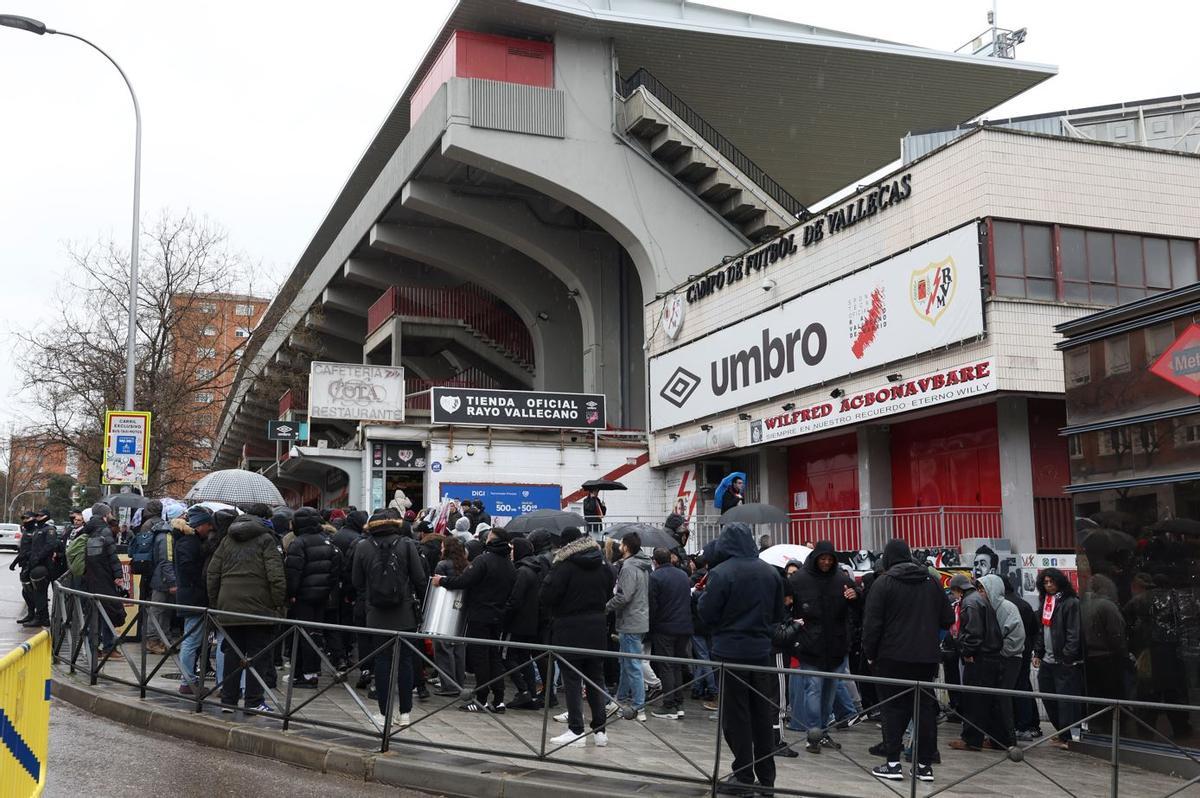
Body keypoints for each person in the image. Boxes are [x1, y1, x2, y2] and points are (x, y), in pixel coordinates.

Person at [697, 522, 786, 795]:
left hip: (730, 652)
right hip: (761, 652)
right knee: (761, 714)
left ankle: (744, 775)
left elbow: (707, 614)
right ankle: (767, 778)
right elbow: (777, 615)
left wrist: (701, 598)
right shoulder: (770, 573)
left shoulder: (721, 573)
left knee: (736, 717)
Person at [862, 539, 953, 783]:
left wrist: (870, 653)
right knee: (923, 710)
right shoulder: (931, 582)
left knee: (892, 709)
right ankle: (924, 766)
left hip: (891, 656)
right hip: (925, 658)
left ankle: (892, 763)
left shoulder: (884, 583)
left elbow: (872, 624)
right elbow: (948, 617)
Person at [541, 527, 615, 748]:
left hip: (569, 627)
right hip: (597, 627)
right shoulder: (605, 567)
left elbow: (546, 595)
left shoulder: (564, 566)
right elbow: (609, 592)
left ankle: (575, 730)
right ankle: (600, 731)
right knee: (595, 678)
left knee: (572, 680)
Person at [353, 510, 427, 728]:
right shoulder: (407, 545)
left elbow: (356, 581)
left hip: (376, 614)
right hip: (405, 613)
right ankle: (405, 713)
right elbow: (420, 578)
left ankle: (384, 713)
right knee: (405, 661)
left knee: (382, 662)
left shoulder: (363, 546)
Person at [207, 512, 287, 713]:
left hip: (229, 604)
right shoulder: (266, 539)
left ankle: (228, 701)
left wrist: (217, 602)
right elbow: (276, 575)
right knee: (257, 657)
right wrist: (278, 604)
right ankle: (254, 702)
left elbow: (212, 573)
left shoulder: (226, 540)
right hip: (259, 608)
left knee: (232, 654)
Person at [432, 526, 516, 712]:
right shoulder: (509, 564)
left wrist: (442, 581)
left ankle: (481, 699)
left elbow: (464, 581)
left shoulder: (483, 560)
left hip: (480, 615)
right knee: (494, 657)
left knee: (480, 659)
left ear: (491, 539)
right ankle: (499, 699)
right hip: (498, 616)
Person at [787, 540, 860, 752]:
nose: (826, 562)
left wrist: (855, 597)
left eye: (829, 559)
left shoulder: (842, 579)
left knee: (827, 694)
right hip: (811, 646)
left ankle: (822, 731)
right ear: (816, 558)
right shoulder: (799, 580)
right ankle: (814, 733)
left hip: (835, 646)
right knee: (814, 690)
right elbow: (788, 607)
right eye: (823, 558)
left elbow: (857, 606)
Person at [284, 507, 341, 688]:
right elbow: (336, 570)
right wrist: (327, 589)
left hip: (302, 597)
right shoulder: (329, 541)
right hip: (322, 597)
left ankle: (306, 675)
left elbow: (293, 573)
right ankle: (310, 672)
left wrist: (291, 594)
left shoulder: (298, 543)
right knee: (315, 634)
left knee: (303, 635)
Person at [949, 574, 1003, 752]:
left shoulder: (969, 603)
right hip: (991, 655)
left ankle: (971, 739)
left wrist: (966, 651)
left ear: (958, 590)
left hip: (979, 657)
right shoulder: (979, 599)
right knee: (989, 700)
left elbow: (973, 632)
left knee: (974, 701)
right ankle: (997, 739)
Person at [1033, 567, 1083, 749]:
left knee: (1066, 701)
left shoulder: (1070, 603)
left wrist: (1068, 657)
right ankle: (1062, 732)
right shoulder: (1046, 601)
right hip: (1048, 658)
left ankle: (1068, 735)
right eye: (1045, 582)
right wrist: (1038, 653)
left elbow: (1073, 632)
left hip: (1063, 660)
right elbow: (1042, 629)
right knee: (1048, 696)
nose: (1048, 585)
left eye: (1051, 582)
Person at [607, 531, 652, 720]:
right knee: (626, 662)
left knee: (632, 664)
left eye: (621, 544)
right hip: (639, 619)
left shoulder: (628, 567)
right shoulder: (643, 566)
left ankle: (638, 706)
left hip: (630, 621)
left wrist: (607, 606)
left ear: (626, 547)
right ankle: (621, 698)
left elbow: (624, 596)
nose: (619, 547)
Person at [173, 505, 215, 694]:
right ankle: (187, 680)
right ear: (200, 525)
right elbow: (188, 569)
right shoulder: (189, 543)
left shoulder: (190, 541)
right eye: (207, 524)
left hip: (192, 596)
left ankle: (188, 679)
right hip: (193, 597)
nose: (210, 528)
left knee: (192, 638)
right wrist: (201, 582)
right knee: (191, 640)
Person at [503, 536, 549, 709]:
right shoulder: (534, 568)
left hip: (518, 623)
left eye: (513, 549)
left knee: (506, 656)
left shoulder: (522, 571)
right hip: (530, 623)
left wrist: (504, 616)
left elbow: (515, 600)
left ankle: (524, 691)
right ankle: (530, 693)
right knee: (524, 658)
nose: (511, 553)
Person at [981, 573, 1025, 749]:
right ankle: (995, 738)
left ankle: (1007, 738)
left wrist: (1000, 651)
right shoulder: (989, 607)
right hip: (997, 658)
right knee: (995, 699)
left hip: (1009, 659)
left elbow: (1017, 636)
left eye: (983, 589)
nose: (980, 593)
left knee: (1002, 698)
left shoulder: (1007, 607)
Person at [648, 547, 693, 719]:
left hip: (664, 627)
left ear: (655, 561)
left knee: (666, 666)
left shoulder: (655, 577)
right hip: (684, 626)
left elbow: (653, 605)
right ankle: (678, 703)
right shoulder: (682, 575)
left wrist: (651, 628)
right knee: (676, 666)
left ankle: (669, 704)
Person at [81, 503, 126, 659]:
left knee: (94, 613)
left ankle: (94, 647)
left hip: (90, 578)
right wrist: (118, 575)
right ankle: (108, 647)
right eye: (109, 513)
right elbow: (112, 556)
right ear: (104, 515)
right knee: (110, 612)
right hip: (104, 578)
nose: (111, 515)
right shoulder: (105, 531)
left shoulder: (88, 529)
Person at [331, 509, 368, 670]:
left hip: (335, 585)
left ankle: (338, 655)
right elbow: (352, 569)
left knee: (336, 621)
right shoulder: (357, 540)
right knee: (347, 622)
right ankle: (344, 654)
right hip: (349, 588)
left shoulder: (337, 535)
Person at [1005, 573, 1041, 740]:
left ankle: (1022, 724)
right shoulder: (1024, 604)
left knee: (1015, 687)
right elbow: (1034, 629)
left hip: (1012, 652)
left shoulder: (1005, 605)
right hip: (1025, 649)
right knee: (1024, 685)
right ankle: (1031, 724)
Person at [432, 535, 470, 695]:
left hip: (444, 611)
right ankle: (458, 683)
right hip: (461, 610)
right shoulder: (468, 566)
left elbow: (437, 586)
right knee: (458, 647)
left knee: (442, 647)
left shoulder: (442, 565)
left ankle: (448, 685)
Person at [16, 509, 64, 628]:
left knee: (40, 593)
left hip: (45, 565)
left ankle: (42, 618)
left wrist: (37, 558)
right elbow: (32, 548)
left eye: (40, 515)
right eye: (36, 515)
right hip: (35, 564)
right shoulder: (38, 530)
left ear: (46, 516)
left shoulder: (49, 530)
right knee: (35, 593)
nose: (37, 517)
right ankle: (39, 616)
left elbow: (50, 546)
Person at [146, 504, 178, 655]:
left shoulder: (165, 533)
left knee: (164, 611)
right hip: (163, 579)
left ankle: (164, 640)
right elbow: (166, 560)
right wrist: (172, 581)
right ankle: (153, 641)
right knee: (158, 610)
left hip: (163, 577)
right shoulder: (166, 536)